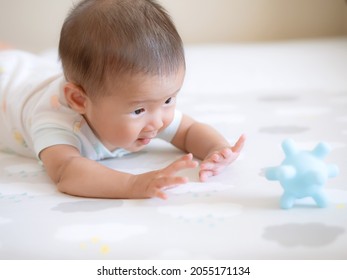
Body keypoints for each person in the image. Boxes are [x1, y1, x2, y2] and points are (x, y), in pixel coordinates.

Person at [0, 0, 245, 199]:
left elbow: (189, 130)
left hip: (35, 73)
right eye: (138, 110)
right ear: (79, 100)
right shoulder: (54, 122)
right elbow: (66, 172)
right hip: (7, 88)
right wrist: (133, 183)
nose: (158, 123)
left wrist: (216, 149)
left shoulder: (150, 108)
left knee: (28, 65)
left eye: (169, 99)